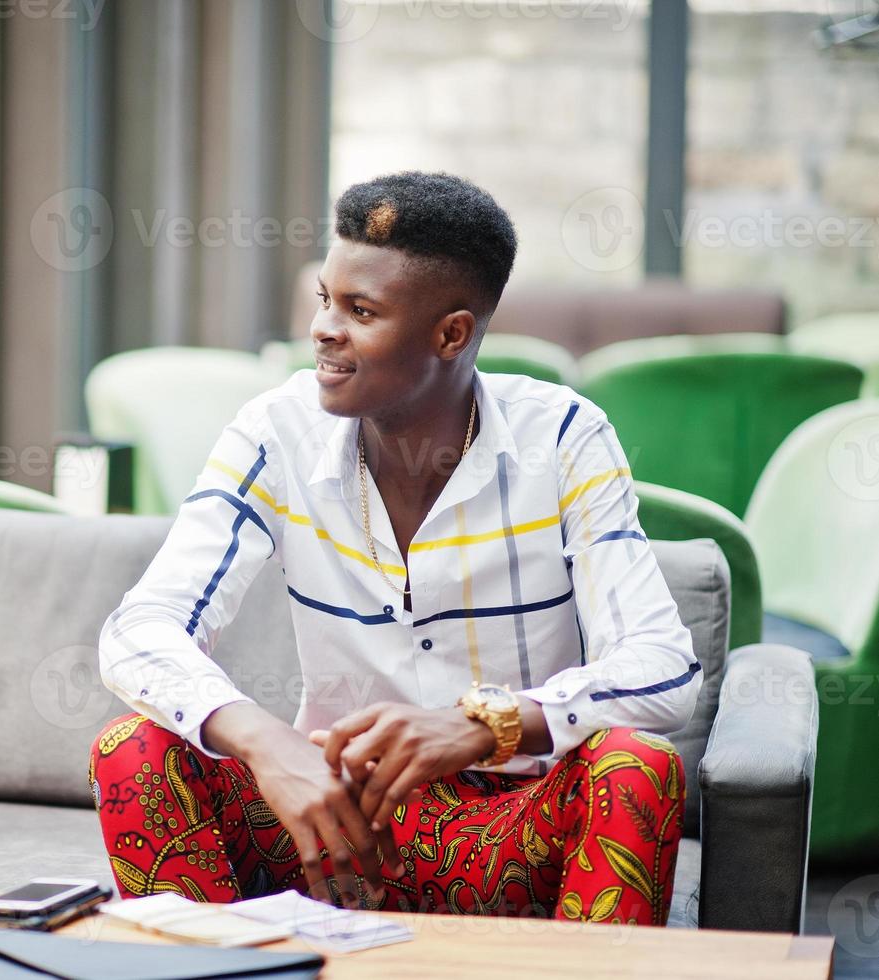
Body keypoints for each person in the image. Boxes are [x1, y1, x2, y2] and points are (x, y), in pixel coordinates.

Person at [88, 172, 700, 926]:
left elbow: (666, 669)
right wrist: (265, 743)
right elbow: (138, 631)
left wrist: (485, 723)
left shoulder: (563, 436)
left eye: (360, 310)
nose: (322, 329)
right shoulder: (273, 432)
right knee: (135, 751)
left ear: (451, 333)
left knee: (637, 769)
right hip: (327, 833)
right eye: (324, 300)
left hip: (509, 831)